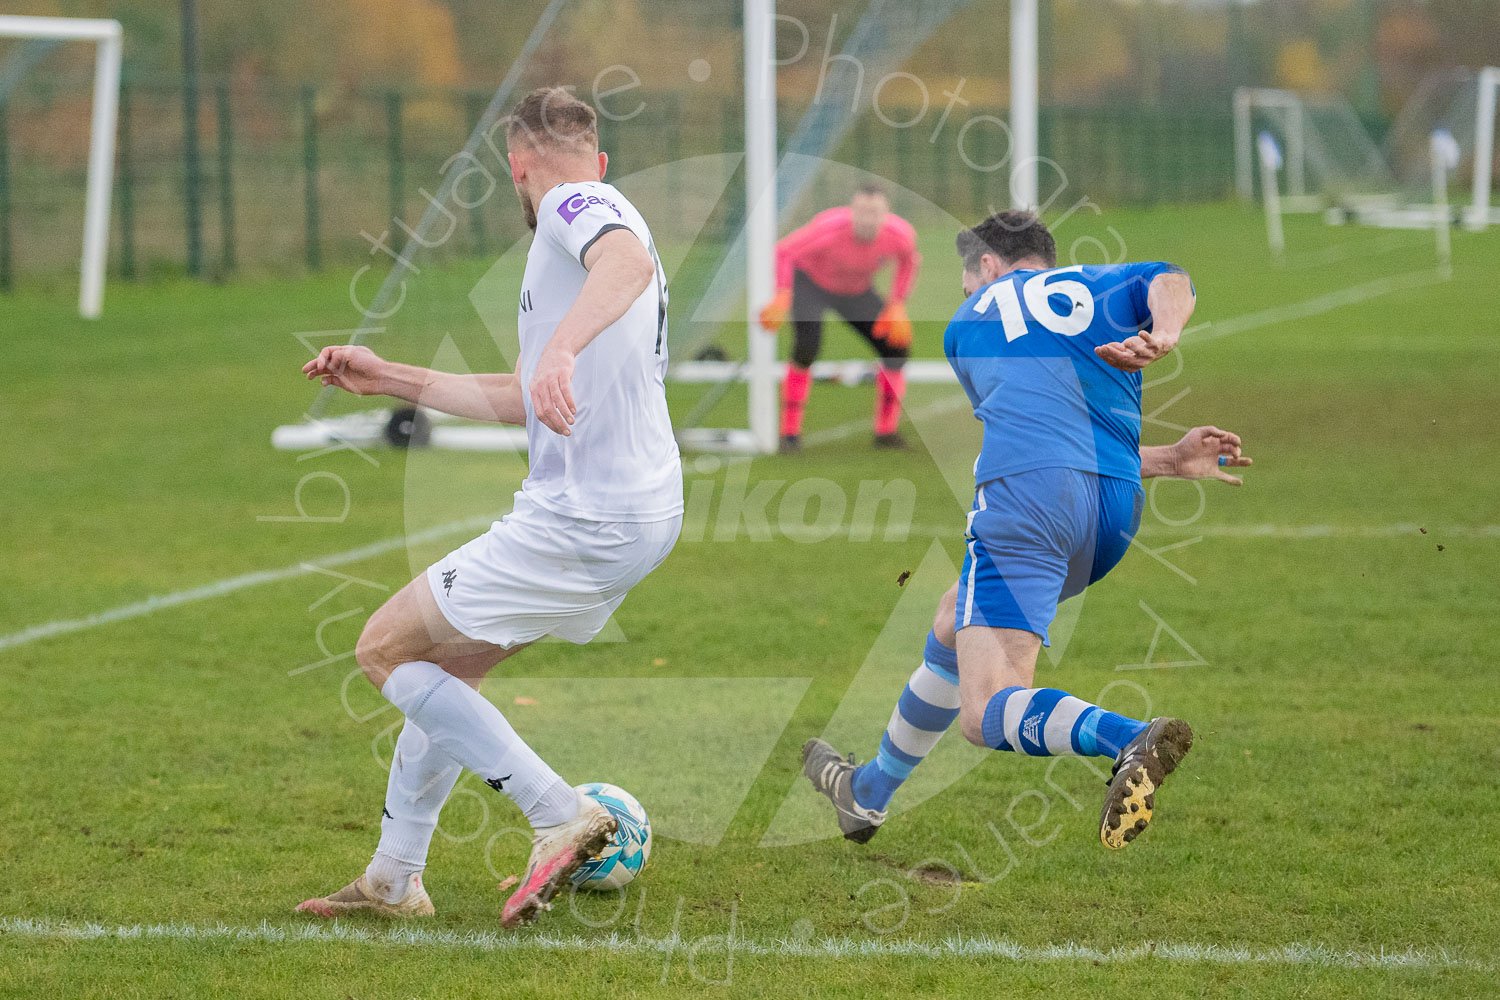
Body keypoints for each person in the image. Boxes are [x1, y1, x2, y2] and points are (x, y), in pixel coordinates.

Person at [295, 87, 682, 928]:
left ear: (518, 166)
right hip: (632, 513)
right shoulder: (591, 228)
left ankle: (559, 813)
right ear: (600, 154)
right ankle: (393, 879)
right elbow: (520, 396)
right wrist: (389, 374)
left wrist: (563, 351)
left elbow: (626, 264)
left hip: (586, 516)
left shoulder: (577, 208)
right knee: (447, 671)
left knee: (385, 651)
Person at [803, 210, 1252, 849]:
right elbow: (1173, 280)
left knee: (987, 708)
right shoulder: (1100, 286)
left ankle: (1129, 738)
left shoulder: (966, 326)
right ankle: (867, 794)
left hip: (1028, 507)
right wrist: (1168, 355)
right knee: (953, 615)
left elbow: (1035, 431)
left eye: (969, 281)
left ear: (987, 266)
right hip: (1114, 513)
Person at [758, 184, 921, 452]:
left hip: (856, 290)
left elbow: (909, 261)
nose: (868, 219)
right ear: (852, 211)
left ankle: (886, 431)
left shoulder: (900, 235)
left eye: (874, 213)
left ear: (886, 214)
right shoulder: (828, 229)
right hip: (812, 285)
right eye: (862, 212)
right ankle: (790, 433)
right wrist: (783, 293)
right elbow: (784, 252)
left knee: (896, 347)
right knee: (806, 347)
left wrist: (897, 304)